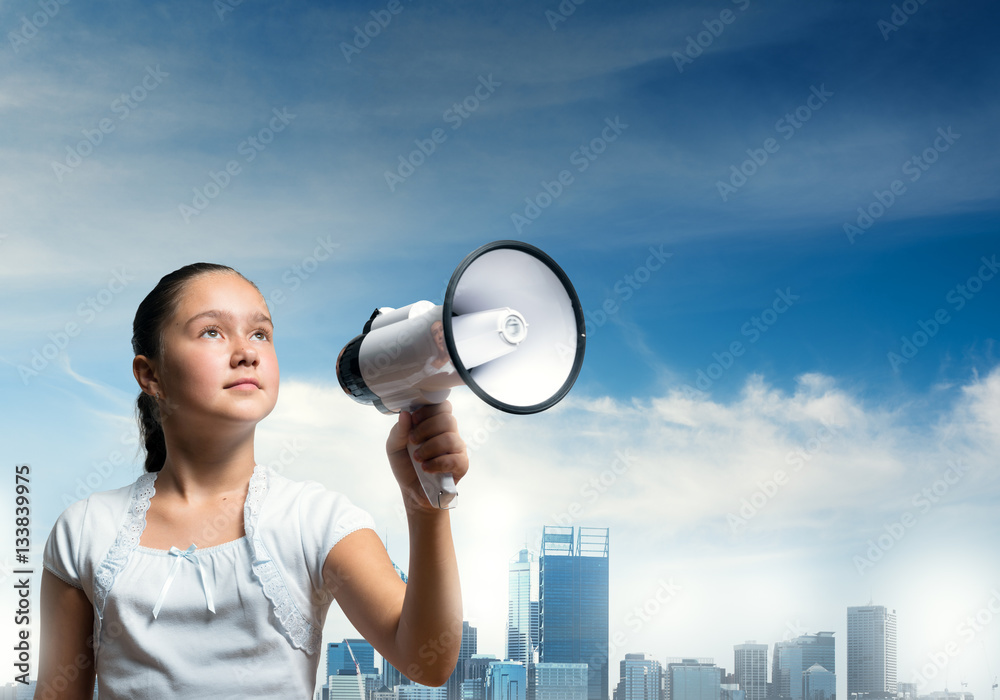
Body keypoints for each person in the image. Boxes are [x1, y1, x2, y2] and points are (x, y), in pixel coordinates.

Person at [38, 262, 468, 699]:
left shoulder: (317, 521)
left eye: (260, 333)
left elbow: (427, 661)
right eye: (212, 332)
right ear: (151, 375)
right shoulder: (86, 530)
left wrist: (426, 508)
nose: (247, 352)